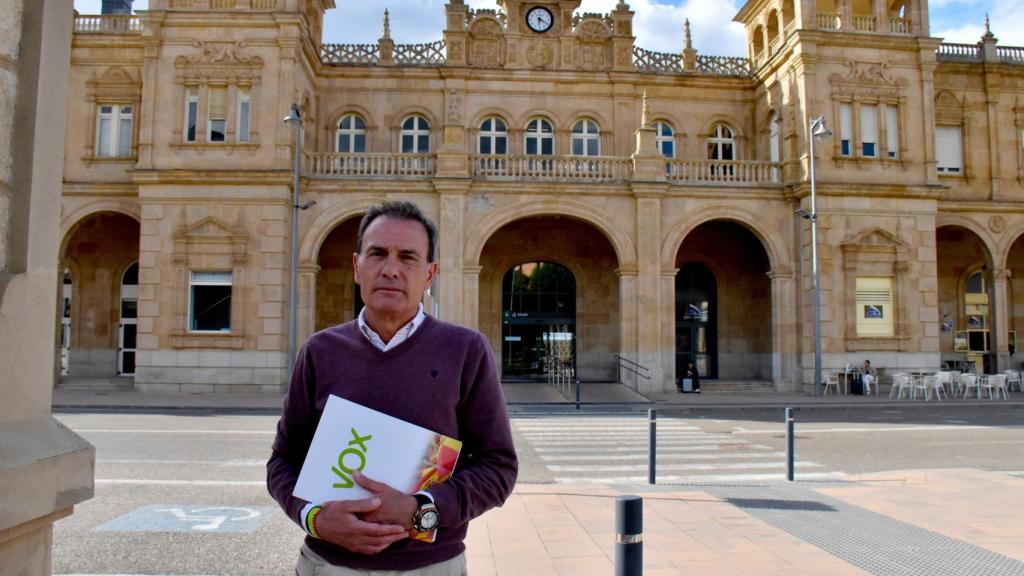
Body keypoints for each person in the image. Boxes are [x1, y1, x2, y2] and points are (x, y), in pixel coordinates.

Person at [267, 201, 518, 575]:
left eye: (408, 257)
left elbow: (498, 468)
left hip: (430, 567)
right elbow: (282, 462)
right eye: (377, 253)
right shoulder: (320, 351)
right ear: (357, 266)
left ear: (430, 274)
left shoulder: (465, 350)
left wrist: (420, 511)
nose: (390, 269)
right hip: (329, 565)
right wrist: (314, 519)